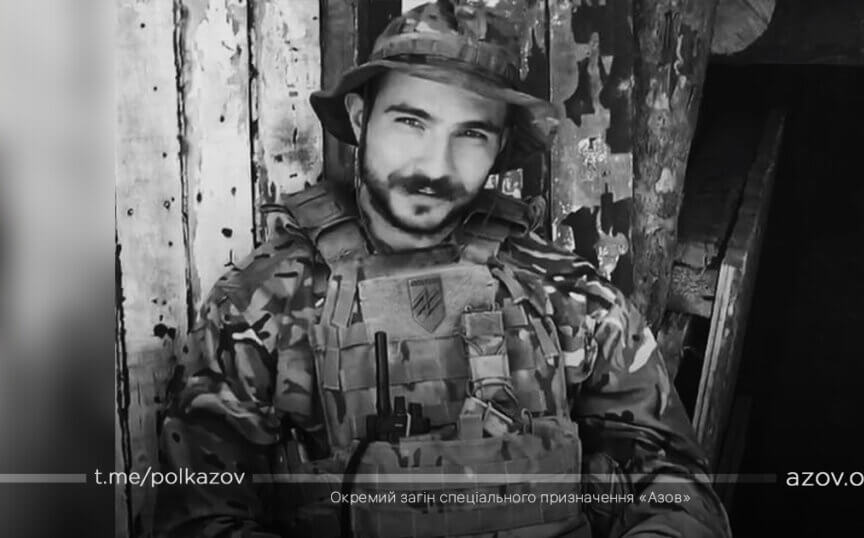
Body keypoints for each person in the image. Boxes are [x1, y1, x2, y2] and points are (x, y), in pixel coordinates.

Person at [155, 1, 731, 536]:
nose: (435, 165)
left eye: (471, 134)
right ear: (359, 116)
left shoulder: (568, 298)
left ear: (500, 147)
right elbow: (198, 515)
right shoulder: (258, 308)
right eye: (411, 121)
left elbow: (677, 484)